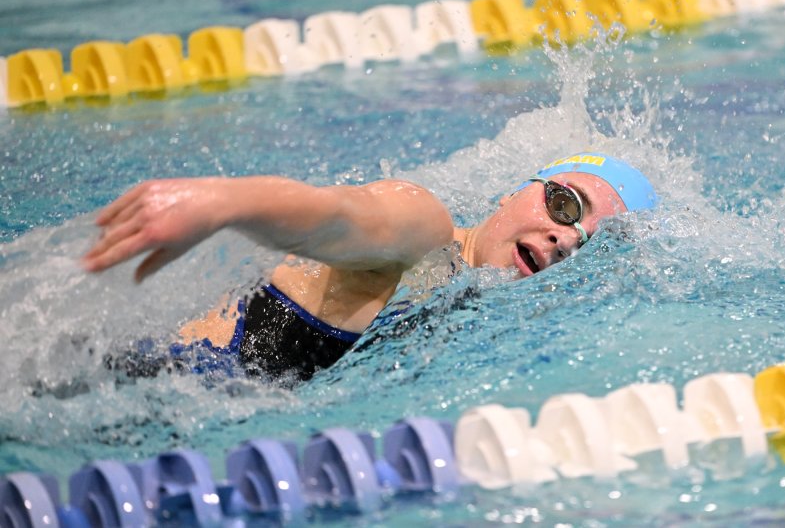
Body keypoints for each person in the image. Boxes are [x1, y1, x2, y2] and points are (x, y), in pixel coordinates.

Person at [82, 152, 656, 380]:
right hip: (140, 382)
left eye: (588, 243)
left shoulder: (470, 304)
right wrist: (222, 204)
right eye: (564, 203)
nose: (562, 237)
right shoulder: (425, 231)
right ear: (516, 190)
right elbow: (339, 214)